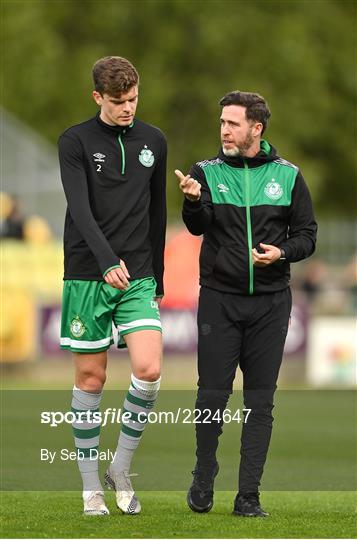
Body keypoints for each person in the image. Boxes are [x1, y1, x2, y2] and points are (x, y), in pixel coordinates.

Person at [175, 91, 317, 517]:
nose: (224, 129)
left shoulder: (289, 175)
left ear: (256, 128)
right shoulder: (206, 171)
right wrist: (193, 200)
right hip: (219, 300)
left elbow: (308, 235)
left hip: (271, 304)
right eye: (222, 122)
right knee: (211, 396)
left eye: (233, 123)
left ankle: (248, 495)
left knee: (261, 401)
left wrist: (282, 253)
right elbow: (196, 227)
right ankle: (204, 474)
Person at [58, 56, 167, 516]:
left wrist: (157, 273)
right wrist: (105, 262)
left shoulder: (154, 140)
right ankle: (90, 488)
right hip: (88, 272)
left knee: (148, 369)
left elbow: (158, 209)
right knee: (92, 378)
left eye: (134, 99)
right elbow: (79, 209)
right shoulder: (75, 140)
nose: (128, 108)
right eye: (119, 101)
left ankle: (120, 467)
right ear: (97, 97)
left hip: (138, 275)